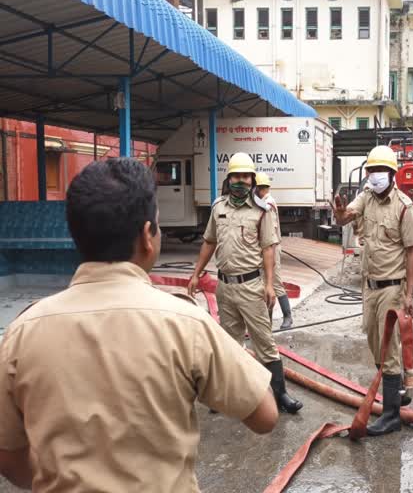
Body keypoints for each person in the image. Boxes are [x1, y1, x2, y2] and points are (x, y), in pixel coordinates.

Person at [0, 158, 278, 491]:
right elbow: (265, 416)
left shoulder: (21, 333)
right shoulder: (186, 324)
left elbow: (8, 455)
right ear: (149, 236)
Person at [188, 153, 303, 414]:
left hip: (252, 286)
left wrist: (270, 285)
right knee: (230, 343)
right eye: (236, 176)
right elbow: (209, 242)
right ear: (229, 179)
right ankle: (229, 395)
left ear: (252, 180)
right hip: (225, 287)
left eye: (245, 177)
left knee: (264, 343)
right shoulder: (218, 208)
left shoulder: (263, 212)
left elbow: (268, 249)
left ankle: (280, 395)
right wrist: (196, 273)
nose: (240, 181)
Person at [331, 145, 413, 436]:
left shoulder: (404, 206)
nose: (375, 175)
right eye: (371, 170)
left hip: (392, 288)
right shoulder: (366, 197)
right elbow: (345, 218)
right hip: (369, 288)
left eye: (380, 170)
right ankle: (394, 394)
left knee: (388, 348)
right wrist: (341, 212)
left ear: (393, 174)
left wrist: (408, 295)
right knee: (374, 344)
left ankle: (392, 415)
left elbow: (411, 253)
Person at [254, 172, 294, 329]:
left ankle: (287, 316)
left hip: (272, 248)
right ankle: (267, 321)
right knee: (264, 284)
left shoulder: (268, 204)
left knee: (274, 283)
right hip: (267, 247)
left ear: (258, 188)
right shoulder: (266, 202)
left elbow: (269, 232)